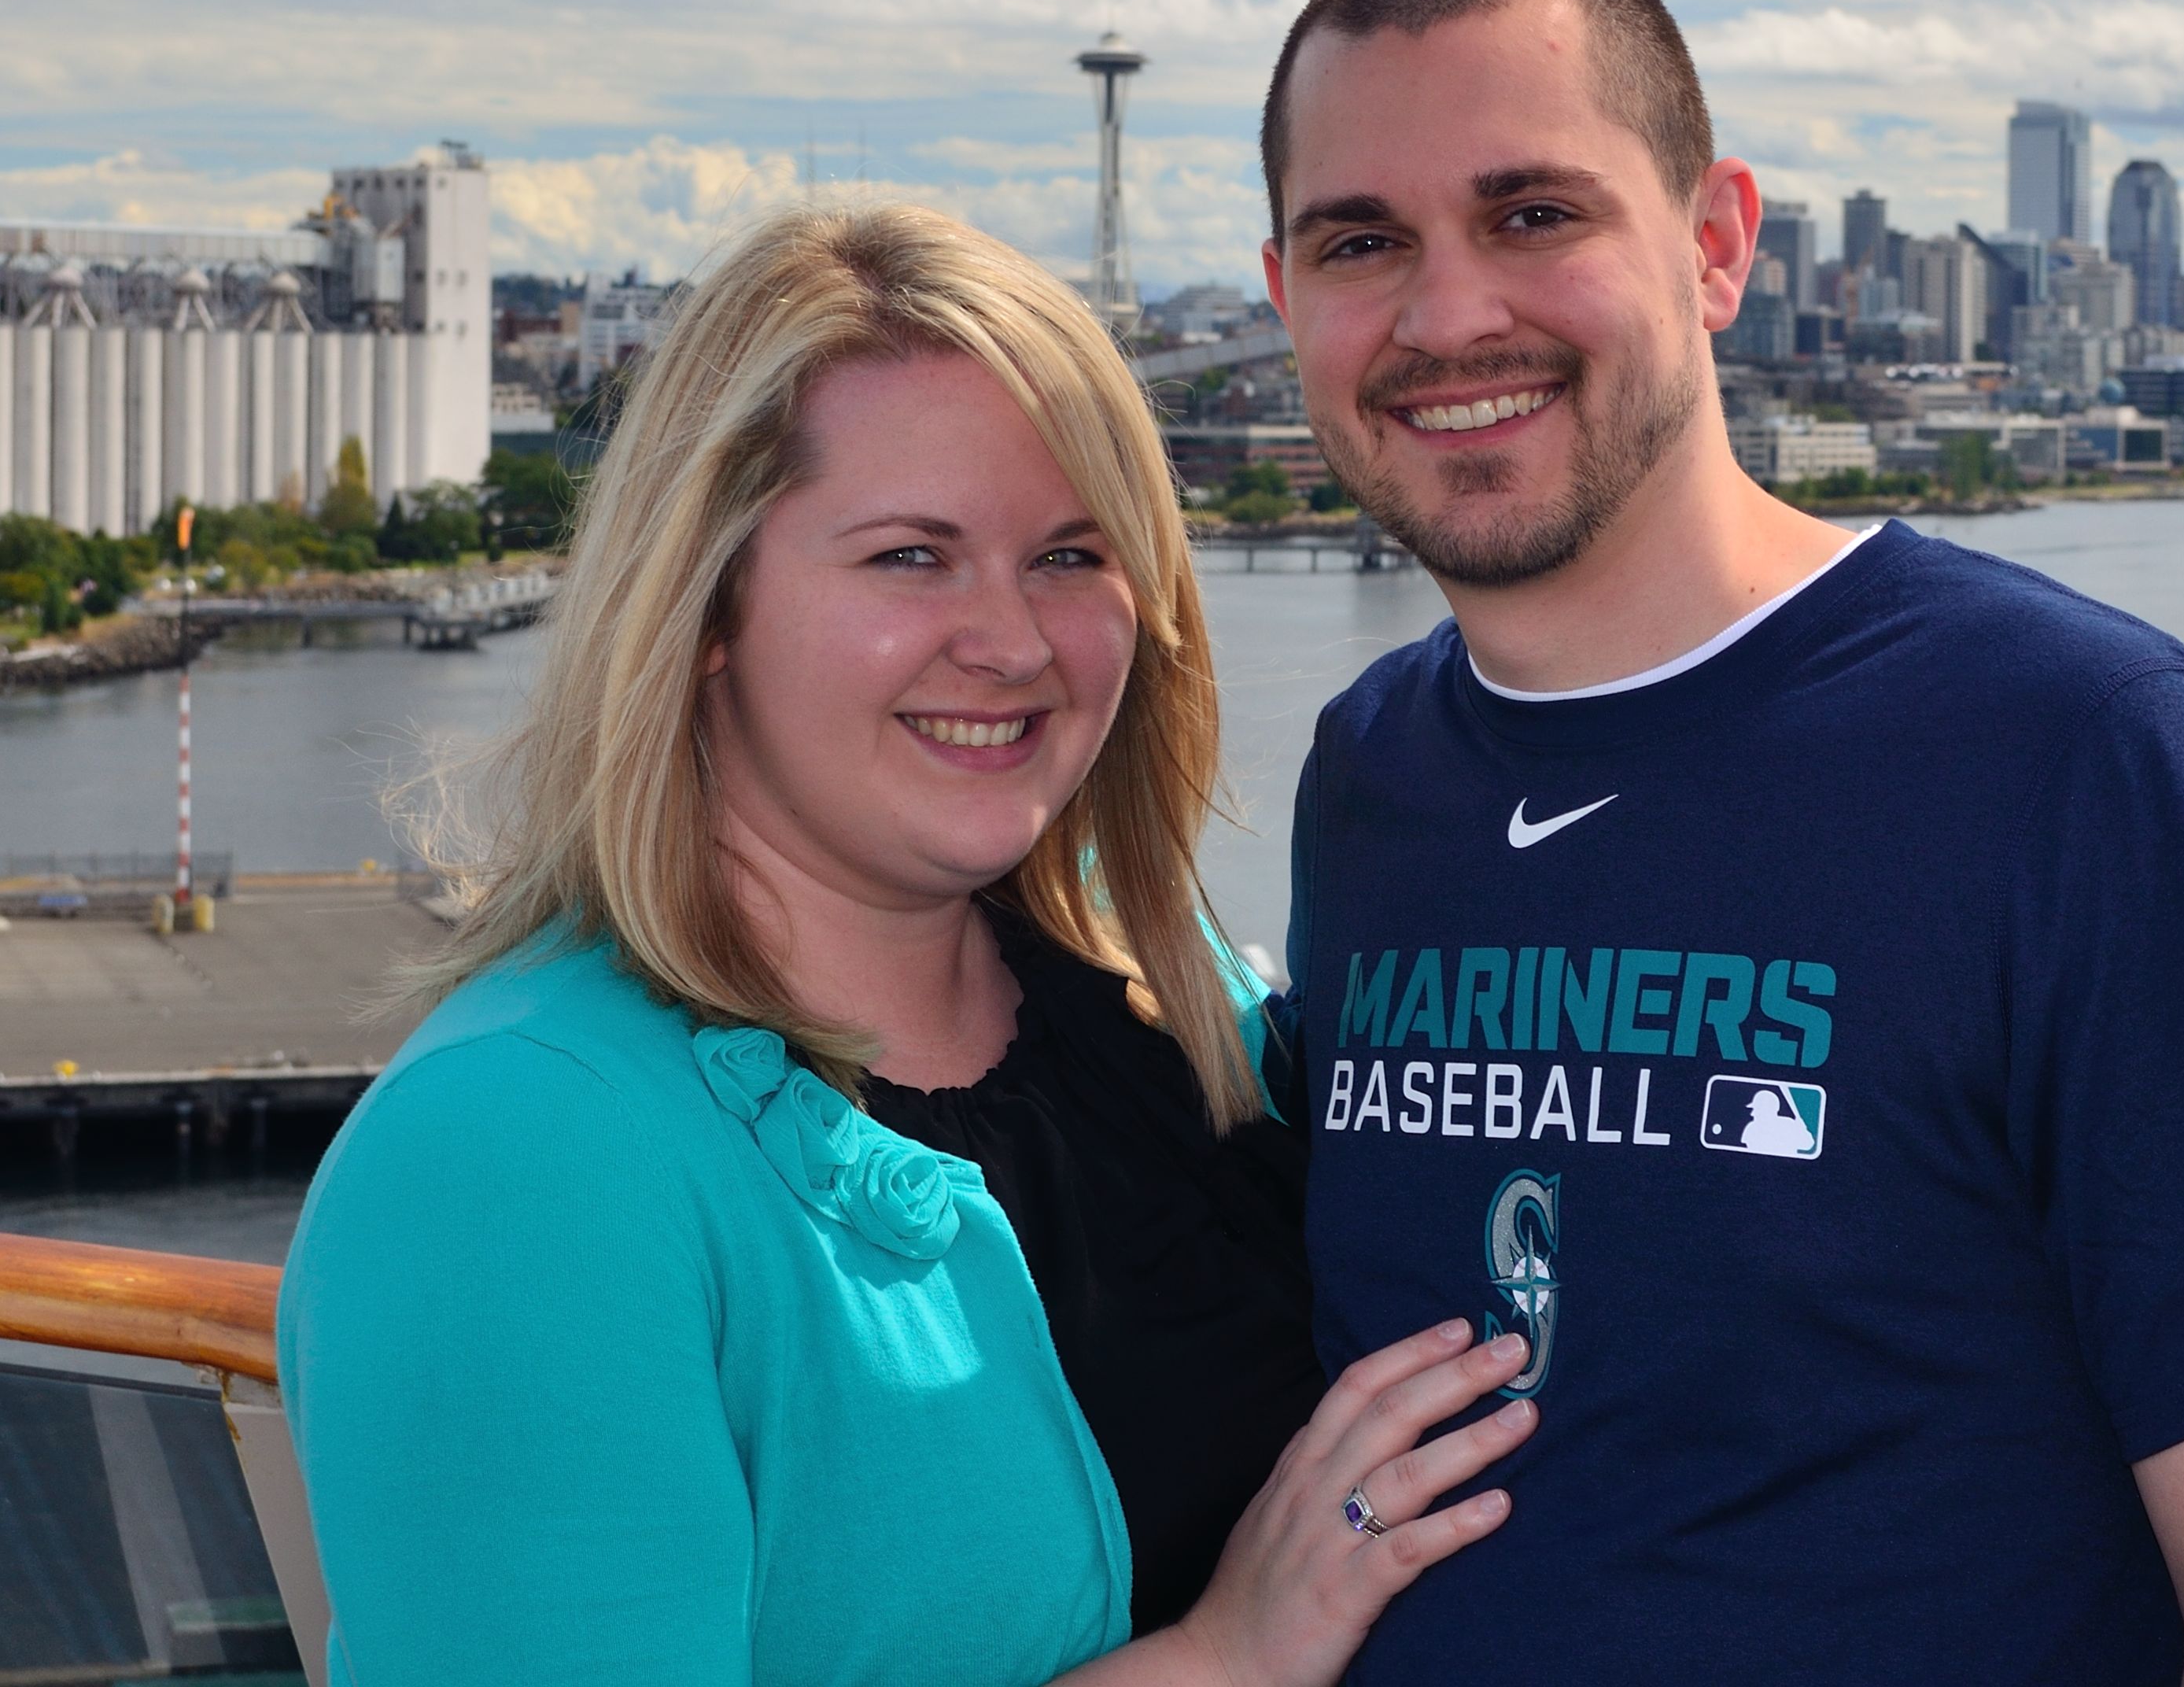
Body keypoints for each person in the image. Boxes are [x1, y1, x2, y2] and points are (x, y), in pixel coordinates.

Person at [1260, 0, 2184, 1685]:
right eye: (1363, 242)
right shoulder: (1370, 774)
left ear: (1715, 244)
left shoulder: (2078, 753)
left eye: (1532, 215)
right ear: (1285, 295)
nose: (1449, 318)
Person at [281, 204, 1533, 1687]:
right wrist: (1227, 1659)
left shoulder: (1172, 994)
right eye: (910, 557)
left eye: (1069, 555)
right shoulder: (512, 1160)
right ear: (705, 606)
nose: (1013, 642)